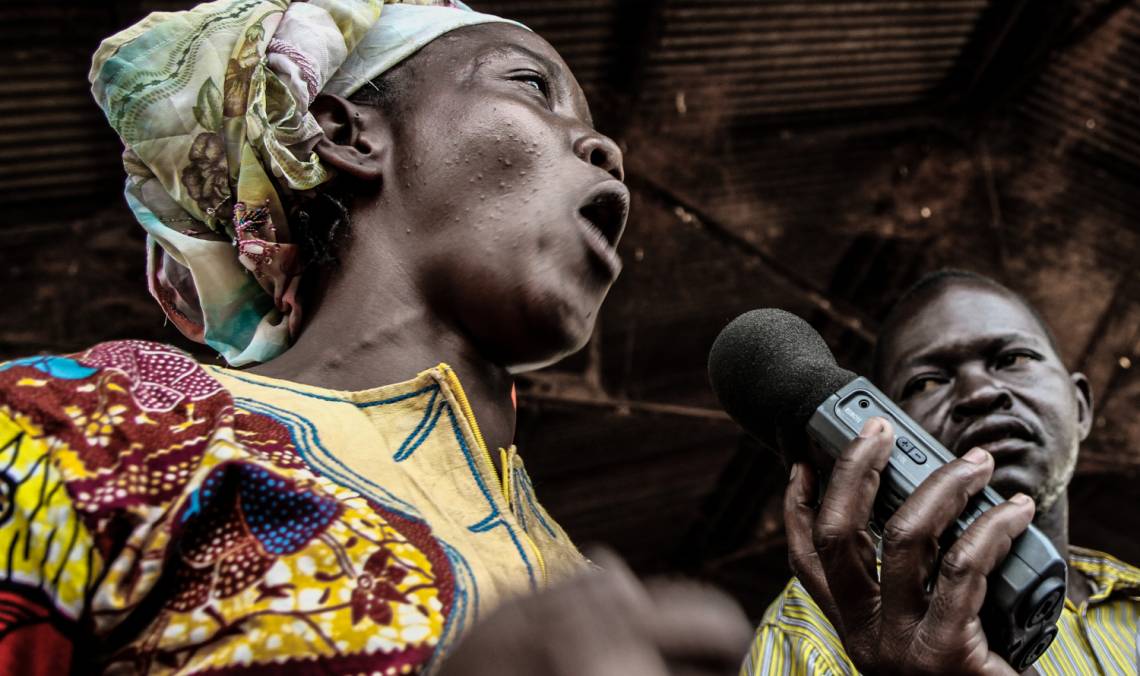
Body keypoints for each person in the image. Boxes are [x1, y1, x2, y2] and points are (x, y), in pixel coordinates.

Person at [0, 1, 751, 674]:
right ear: (345, 134)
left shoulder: (587, 584)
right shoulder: (98, 425)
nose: (604, 148)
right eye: (531, 86)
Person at [742, 269, 1140, 675]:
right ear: (877, 433)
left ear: (1081, 406)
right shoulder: (816, 630)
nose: (979, 393)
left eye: (1013, 359)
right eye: (926, 383)